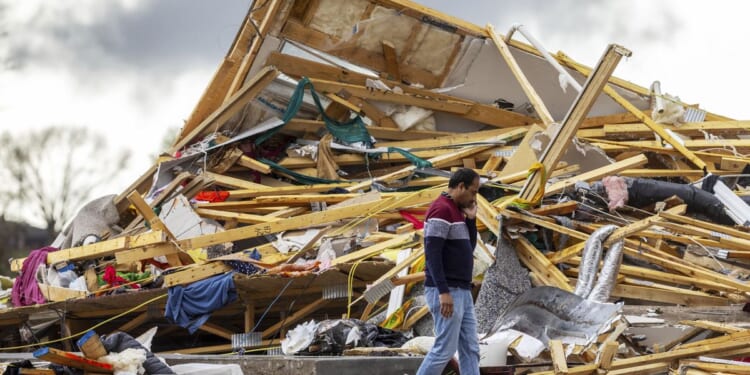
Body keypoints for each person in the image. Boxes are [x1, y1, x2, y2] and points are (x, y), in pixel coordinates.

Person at [416, 168, 481, 375]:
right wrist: (443, 292)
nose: (474, 198)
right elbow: (432, 255)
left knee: (470, 348)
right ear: (461, 186)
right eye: (473, 192)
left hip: (461, 289)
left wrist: (471, 220)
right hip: (447, 290)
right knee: (445, 349)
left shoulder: (456, 212)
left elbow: (469, 248)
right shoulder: (441, 210)